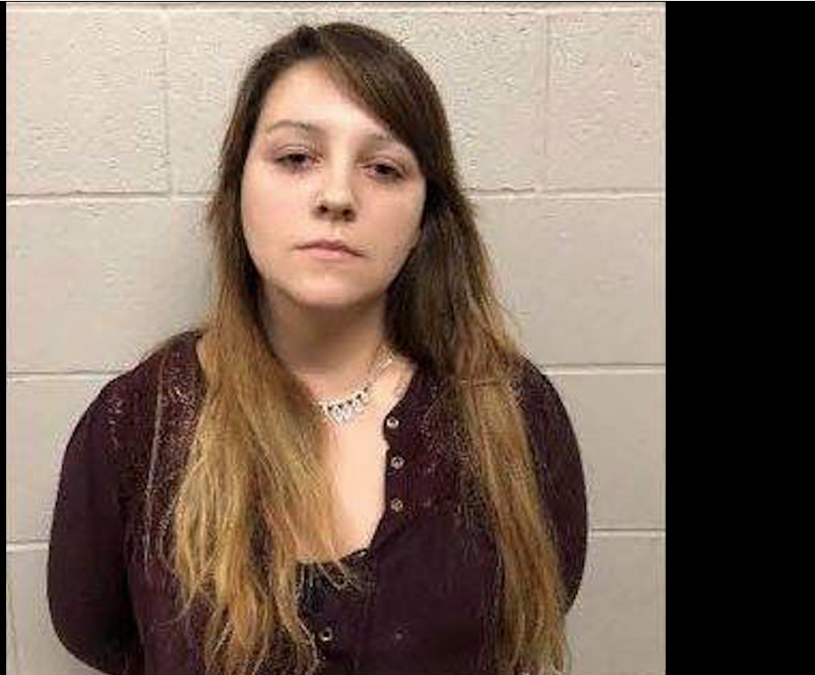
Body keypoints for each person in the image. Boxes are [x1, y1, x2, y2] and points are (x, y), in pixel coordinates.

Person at [47, 21, 586, 675]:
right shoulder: (138, 425)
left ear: (425, 217)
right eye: (296, 157)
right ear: (238, 187)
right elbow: (96, 631)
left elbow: (534, 611)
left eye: (383, 168)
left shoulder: (510, 413)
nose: (336, 197)